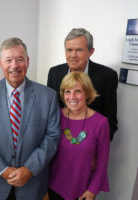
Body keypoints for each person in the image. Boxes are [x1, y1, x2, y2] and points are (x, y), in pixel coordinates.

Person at [0, 37, 60, 200]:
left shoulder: (48, 97)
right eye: (8, 60)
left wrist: (29, 169)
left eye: (19, 59)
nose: (14, 66)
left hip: (33, 183)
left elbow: (52, 136)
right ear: (0, 62)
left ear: (27, 61)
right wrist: (3, 170)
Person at [47, 28, 118, 141]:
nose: (73, 55)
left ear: (91, 52)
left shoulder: (107, 76)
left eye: (79, 50)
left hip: (89, 143)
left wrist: (96, 148)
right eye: (69, 50)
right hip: (58, 141)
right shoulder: (54, 73)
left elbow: (110, 120)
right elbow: (49, 113)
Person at [48, 72, 110, 200]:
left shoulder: (101, 122)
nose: (72, 97)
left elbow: (102, 161)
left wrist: (92, 190)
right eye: (67, 91)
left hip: (83, 190)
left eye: (77, 91)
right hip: (54, 185)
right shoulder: (56, 116)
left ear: (87, 93)